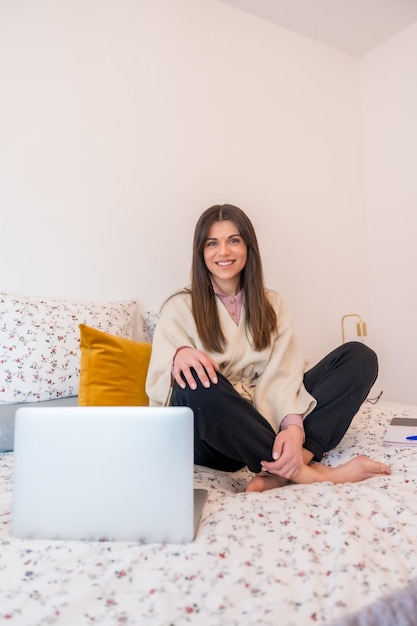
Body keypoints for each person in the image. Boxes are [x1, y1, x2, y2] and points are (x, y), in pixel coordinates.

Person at [145, 204, 390, 492]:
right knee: (195, 381)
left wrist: (294, 429)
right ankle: (310, 474)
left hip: (265, 416)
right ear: (201, 252)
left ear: (248, 247)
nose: (223, 251)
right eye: (212, 243)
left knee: (359, 357)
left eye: (233, 240)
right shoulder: (179, 307)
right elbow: (163, 390)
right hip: (212, 436)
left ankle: (291, 463)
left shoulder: (272, 304)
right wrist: (179, 355)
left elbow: (284, 374)